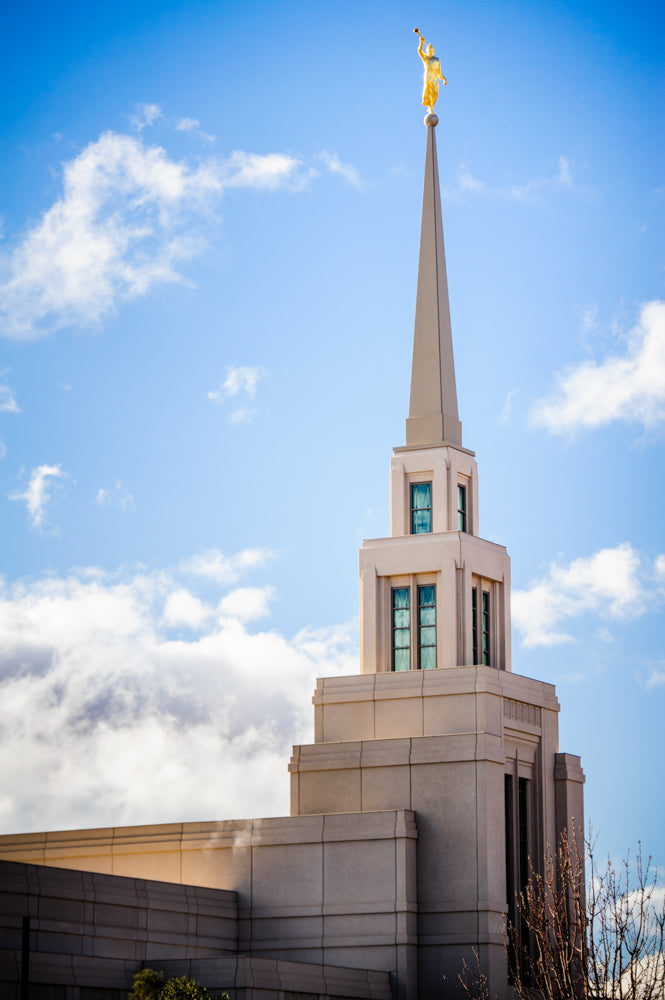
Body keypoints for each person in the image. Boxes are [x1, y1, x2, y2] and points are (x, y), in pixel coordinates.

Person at [415, 30, 446, 112]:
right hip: (428, 75)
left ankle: (432, 106)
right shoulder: (426, 58)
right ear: (427, 51)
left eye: (432, 50)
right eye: (429, 50)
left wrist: (443, 78)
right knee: (429, 90)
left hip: (435, 77)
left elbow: (439, 71)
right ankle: (430, 107)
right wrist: (421, 42)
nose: (431, 51)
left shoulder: (437, 60)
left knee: (436, 91)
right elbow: (419, 51)